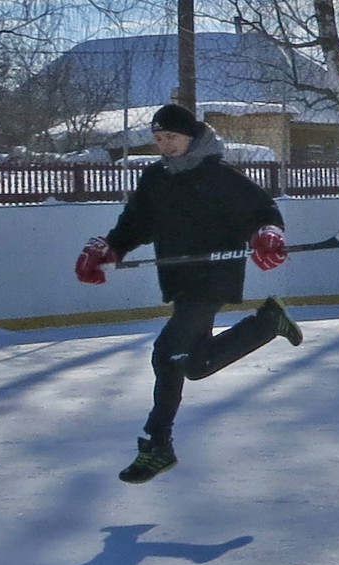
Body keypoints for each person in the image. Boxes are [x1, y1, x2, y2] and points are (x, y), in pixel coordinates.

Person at [74, 103, 303, 483]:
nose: (164, 145)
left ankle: (156, 445)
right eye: (159, 138)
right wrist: (109, 249)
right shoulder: (155, 178)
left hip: (214, 277)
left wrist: (267, 234)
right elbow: (135, 224)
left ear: (192, 137)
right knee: (194, 365)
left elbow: (262, 210)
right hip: (180, 279)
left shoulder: (219, 175)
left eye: (172, 138)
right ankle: (267, 323)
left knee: (166, 354)